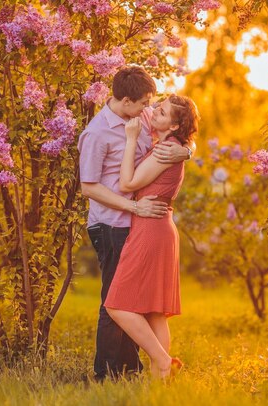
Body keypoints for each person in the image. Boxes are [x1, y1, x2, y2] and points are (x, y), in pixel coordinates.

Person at [78, 66, 194, 381]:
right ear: (127, 100)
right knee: (114, 303)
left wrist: (187, 149)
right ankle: (111, 374)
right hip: (112, 224)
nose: (148, 109)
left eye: (151, 104)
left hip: (142, 224)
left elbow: (174, 133)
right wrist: (133, 206)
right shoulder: (96, 133)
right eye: (144, 103)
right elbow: (88, 187)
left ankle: (142, 371)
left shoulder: (139, 118)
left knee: (141, 304)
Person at [105, 94, 199, 378]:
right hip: (158, 228)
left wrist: (131, 138)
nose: (154, 112)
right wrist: (189, 148)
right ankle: (164, 384)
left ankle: (163, 361)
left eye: (162, 112)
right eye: (156, 108)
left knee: (117, 306)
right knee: (155, 311)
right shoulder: (170, 143)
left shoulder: (165, 150)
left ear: (173, 126)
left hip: (150, 229)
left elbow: (127, 183)